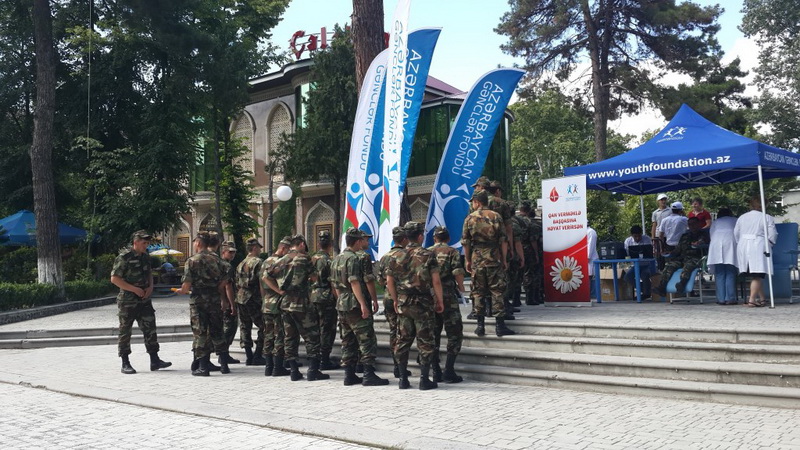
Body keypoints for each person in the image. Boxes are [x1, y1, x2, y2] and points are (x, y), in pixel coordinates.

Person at [386, 221, 445, 390]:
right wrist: (439, 301)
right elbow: (436, 281)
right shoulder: (428, 255)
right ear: (420, 236)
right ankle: (424, 379)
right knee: (425, 340)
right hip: (423, 303)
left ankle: (403, 379)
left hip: (404, 302)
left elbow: (389, 280)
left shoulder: (395, 256)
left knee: (403, 340)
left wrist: (396, 299)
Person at [330, 228, 390, 386]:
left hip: (342, 303)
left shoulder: (337, 259)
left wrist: (340, 300)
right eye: (362, 240)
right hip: (354, 303)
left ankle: (349, 375)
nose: (365, 242)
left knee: (348, 339)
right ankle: (368, 374)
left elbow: (335, 284)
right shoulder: (353, 259)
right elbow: (354, 282)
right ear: (357, 241)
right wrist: (364, 304)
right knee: (366, 339)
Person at [110, 230, 171, 374]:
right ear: (135, 242)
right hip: (128, 301)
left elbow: (149, 272)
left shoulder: (145, 257)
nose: (146, 245)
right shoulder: (124, 257)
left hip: (144, 300)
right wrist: (134, 289)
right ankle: (125, 362)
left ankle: (155, 360)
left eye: (148, 243)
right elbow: (115, 279)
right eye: (144, 243)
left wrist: (150, 286)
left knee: (150, 328)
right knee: (125, 331)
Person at [175, 232, 229, 376]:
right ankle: (224, 365)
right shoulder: (217, 260)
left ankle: (203, 367)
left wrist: (182, 290)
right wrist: (218, 288)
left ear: (198, 243)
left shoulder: (192, 261)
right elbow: (226, 277)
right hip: (214, 298)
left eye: (194, 242)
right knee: (218, 330)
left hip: (198, 299)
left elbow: (187, 284)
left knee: (201, 332)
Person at [462, 191, 514, 337]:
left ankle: (480, 326)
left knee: (478, 292)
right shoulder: (496, 216)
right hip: (494, 257)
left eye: (473, 202)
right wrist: (504, 259)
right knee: (497, 291)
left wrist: (467, 259)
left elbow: (466, 243)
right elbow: (503, 240)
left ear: (477, 202)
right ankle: (500, 326)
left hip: (477, 258)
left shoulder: (469, 219)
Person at [277, 235, 329, 381]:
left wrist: (280, 289)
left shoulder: (283, 259)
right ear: (300, 244)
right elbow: (314, 278)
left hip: (286, 303)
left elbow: (268, 274)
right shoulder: (303, 258)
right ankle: (313, 370)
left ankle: (294, 371)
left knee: (290, 337)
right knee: (312, 336)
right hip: (301, 303)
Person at [428, 226, 465, 384]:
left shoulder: (427, 252)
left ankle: (435, 370)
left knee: (434, 334)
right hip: (448, 295)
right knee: (455, 333)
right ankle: (449, 370)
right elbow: (457, 272)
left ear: (435, 238)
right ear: (448, 238)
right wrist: (462, 288)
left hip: (431, 296)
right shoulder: (452, 251)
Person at [374, 226, 411, 379]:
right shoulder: (405, 255)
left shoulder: (384, 257)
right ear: (404, 240)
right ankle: (402, 366)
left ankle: (396, 365)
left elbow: (379, 279)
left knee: (393, 331)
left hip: (388, 297)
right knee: (404, 333)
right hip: (402, 297)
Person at [734, 196, 778, 307]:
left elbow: (736, 233)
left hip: (743, 245)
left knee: (755, 275)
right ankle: (752, 300)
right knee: (757, 274)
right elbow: (772, 234)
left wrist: (741, 243)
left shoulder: (742, 217)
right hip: (758, 245)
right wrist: (770, 244)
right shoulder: (766, 217)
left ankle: (762, 299)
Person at [259, 236, 291, 377]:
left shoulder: (265, 261)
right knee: (279, 334)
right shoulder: (280, 263)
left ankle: (268, 366)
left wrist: (264, 298)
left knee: (268, 334)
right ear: (283, 248)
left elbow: (261, 282)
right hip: (277, 302)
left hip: (267, 302)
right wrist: (279, 291)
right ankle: (278, 367)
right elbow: (269, 278)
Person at [653, 217, 709, 297]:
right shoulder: (685, 236)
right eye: (690, 224)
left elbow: (703, 241)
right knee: (670, 265)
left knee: (688, 266)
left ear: (698, 224)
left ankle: (682, 284)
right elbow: (678, 249)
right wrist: (670, 252)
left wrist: (699, 243)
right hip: (682, 258)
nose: (692, 226)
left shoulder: (703, 234)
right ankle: (662, 287)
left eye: (694, 224)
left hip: (696, 258)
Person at [310, 230, 339, 370]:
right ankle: (324, 359)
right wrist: (338, 299)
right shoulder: (329, 261)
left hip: (313, 296)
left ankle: (315, 357)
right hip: (326, 298)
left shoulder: (312, 259)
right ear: (331, 244)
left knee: (315, 329)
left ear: (318, 243)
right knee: (327, 329)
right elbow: (333, 283)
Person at [235, 238, 267, 364]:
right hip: (254, 297)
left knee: (245, 326)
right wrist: (264, 299)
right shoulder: (258, 262)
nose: (260, 250)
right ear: (254, 248)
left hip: (241, 297)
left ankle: (249, 356)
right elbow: (262, 282)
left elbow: (237, 282)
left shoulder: (240, 263)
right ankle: (258, 354)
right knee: (264, 325)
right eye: (259, 248)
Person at [708, 208, 738, 305]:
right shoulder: (735, 220)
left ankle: (720, 299)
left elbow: (711, 234)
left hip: (716, 245)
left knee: (720, 273)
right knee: (730, 272)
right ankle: (730, 298)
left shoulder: (716, 222)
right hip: (730, 244)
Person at [220, 241, 242, 365]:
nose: (232, 254)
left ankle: (224, 354)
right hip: (227, 302)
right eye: (230, 252)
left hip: (221, 300)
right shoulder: (226, 266)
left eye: (234, 252)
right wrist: (232, 304)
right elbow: (228, 286)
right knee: (229, 328)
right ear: (223, 252)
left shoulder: (219, 264)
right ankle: (223, 355)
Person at [623, 225, 653, 300]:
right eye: (635, 236)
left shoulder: (647, 239)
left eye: (639, 236)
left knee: (645, 275)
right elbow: (627, 254)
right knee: (627, 277)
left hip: (647, 265)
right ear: (632, 235)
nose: (637, 238)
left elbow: (650, 252)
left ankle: (646, 292)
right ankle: (645, 290)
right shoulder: (627, 241)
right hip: (635, 265)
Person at [587, 226, 599, 299]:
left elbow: (590, 245)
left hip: (591, 258)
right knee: (588, 277)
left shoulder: (591, 232)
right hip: (587, 258)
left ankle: (594, 296)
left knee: (592, 277)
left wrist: (588, 256)